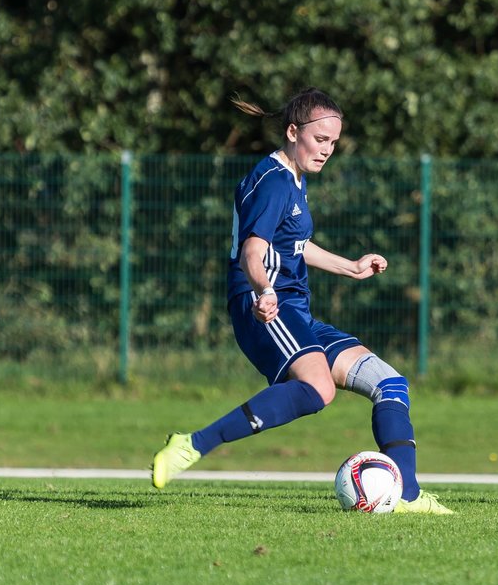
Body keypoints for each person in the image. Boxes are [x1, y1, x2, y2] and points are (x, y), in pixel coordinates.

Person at [151, 88, 452, 514]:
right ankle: (191, 445)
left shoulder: (293, 179)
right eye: (320, 139)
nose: (327, 150)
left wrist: (350, 266)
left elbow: (295, 244)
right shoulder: (273, 182)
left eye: (334, 142)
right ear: (293, 132)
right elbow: (252, 252)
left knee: (389, 384)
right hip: (263, 306)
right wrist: (265, 291)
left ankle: (408, 496)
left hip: (295, 310)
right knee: (317, 388)